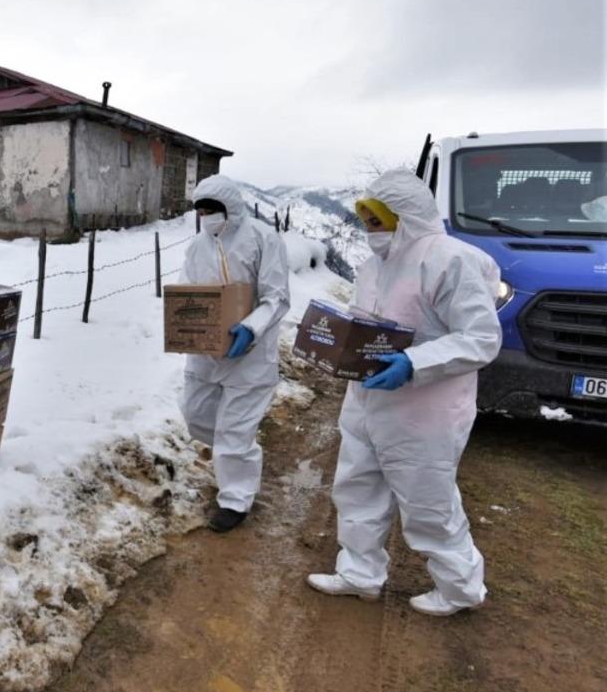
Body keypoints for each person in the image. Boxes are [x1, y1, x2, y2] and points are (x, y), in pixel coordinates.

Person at [307, 169, 502, 616]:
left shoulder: (451, 260)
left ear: (406, 215)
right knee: (356, 489)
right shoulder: (374, 265)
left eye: (378, 220)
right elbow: (364, 322)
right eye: (367, 221)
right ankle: (359, 573)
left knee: (428, 501)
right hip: (368, 397)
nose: (371, 231)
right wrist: (337, 345)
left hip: (425, 409)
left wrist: (413, 363)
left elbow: (480, 338)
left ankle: (460, 589)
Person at [180, 175, 290, 532]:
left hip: (250, 356)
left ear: (231, 207)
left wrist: (252, 327)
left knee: (234, 431)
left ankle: (235, 500)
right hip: (206, 352)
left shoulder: (262, 238)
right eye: (201, 211)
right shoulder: (198, 246)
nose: (207, 217)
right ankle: (233, 460)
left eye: (213, 210)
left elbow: (277, 297)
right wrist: (185, 325)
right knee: (197, 415)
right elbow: (187, 292)